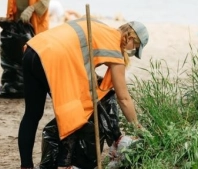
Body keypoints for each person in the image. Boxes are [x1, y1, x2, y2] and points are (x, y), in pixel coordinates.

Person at [18, 18, 149, 169]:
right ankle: (64, 164)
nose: (130, 52)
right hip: (54, 59)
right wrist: (137, 127)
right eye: (134, 48)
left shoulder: (100, 26)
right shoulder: (115, 48)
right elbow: (124, 98)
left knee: (32, 114)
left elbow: (78, 53)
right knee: (74, 112)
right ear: (130, 38)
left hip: (34, 49)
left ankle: (26, 166)